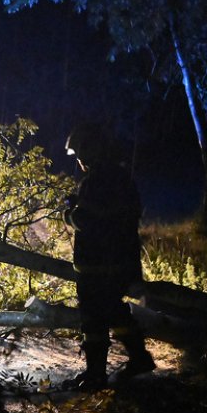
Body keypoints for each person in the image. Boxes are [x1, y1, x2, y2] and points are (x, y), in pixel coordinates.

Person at [62, 124, 154, 390]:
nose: (79, 161)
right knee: (115, 311)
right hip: (120, 261)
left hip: (97, 265)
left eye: (79, 153)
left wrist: (69, 213)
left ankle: (95, 375)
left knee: (93, 319)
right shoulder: (121, 178)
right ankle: (139, 358)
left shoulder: (95, 182)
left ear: (90, 150)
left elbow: (86, 220)